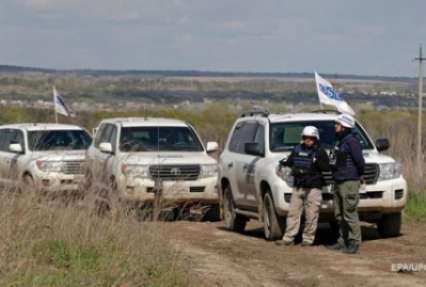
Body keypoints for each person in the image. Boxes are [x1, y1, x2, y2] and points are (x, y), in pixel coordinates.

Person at [277, 126, 330, 246]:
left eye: (311, 138)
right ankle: (288, 239)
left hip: (313, 188)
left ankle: (307, 239)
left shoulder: (320, 151)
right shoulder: (296, 149)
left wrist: (318, 162)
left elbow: (326, 168)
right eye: (305, 137)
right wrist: (284, 164)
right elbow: (289, 163)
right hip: (298, 187)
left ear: (315, 138)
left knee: (311, 215)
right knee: (293, 213)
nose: (308, 140)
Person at [328, 114, 365, 254]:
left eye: (337, 125)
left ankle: (354, 242)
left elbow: (360, 162)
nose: (335, 127)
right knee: (339, 214)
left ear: (344, 127)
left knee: (350, 213)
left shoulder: (352, 142)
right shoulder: (340, 141)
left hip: (349, 181)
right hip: (338, 180)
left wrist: (359, 175)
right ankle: (343, 240)